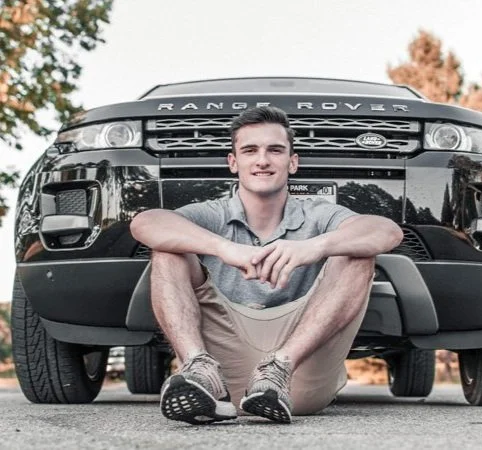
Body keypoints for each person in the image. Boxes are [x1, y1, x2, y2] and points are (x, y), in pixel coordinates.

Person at [130, 106, 403, 424]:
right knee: (167, 250)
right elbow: (146, 223)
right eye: (250, 150)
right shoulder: (213, 213)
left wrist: (314, 248)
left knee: (357, 253)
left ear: (293, 161)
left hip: (296, 376)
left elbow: (386, 231)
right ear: (233, 163)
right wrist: (225, 249)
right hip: (218, 377)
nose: (262, 160)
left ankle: (277, 369)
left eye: (275, 150)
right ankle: (196, 368)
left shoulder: (316, 214)